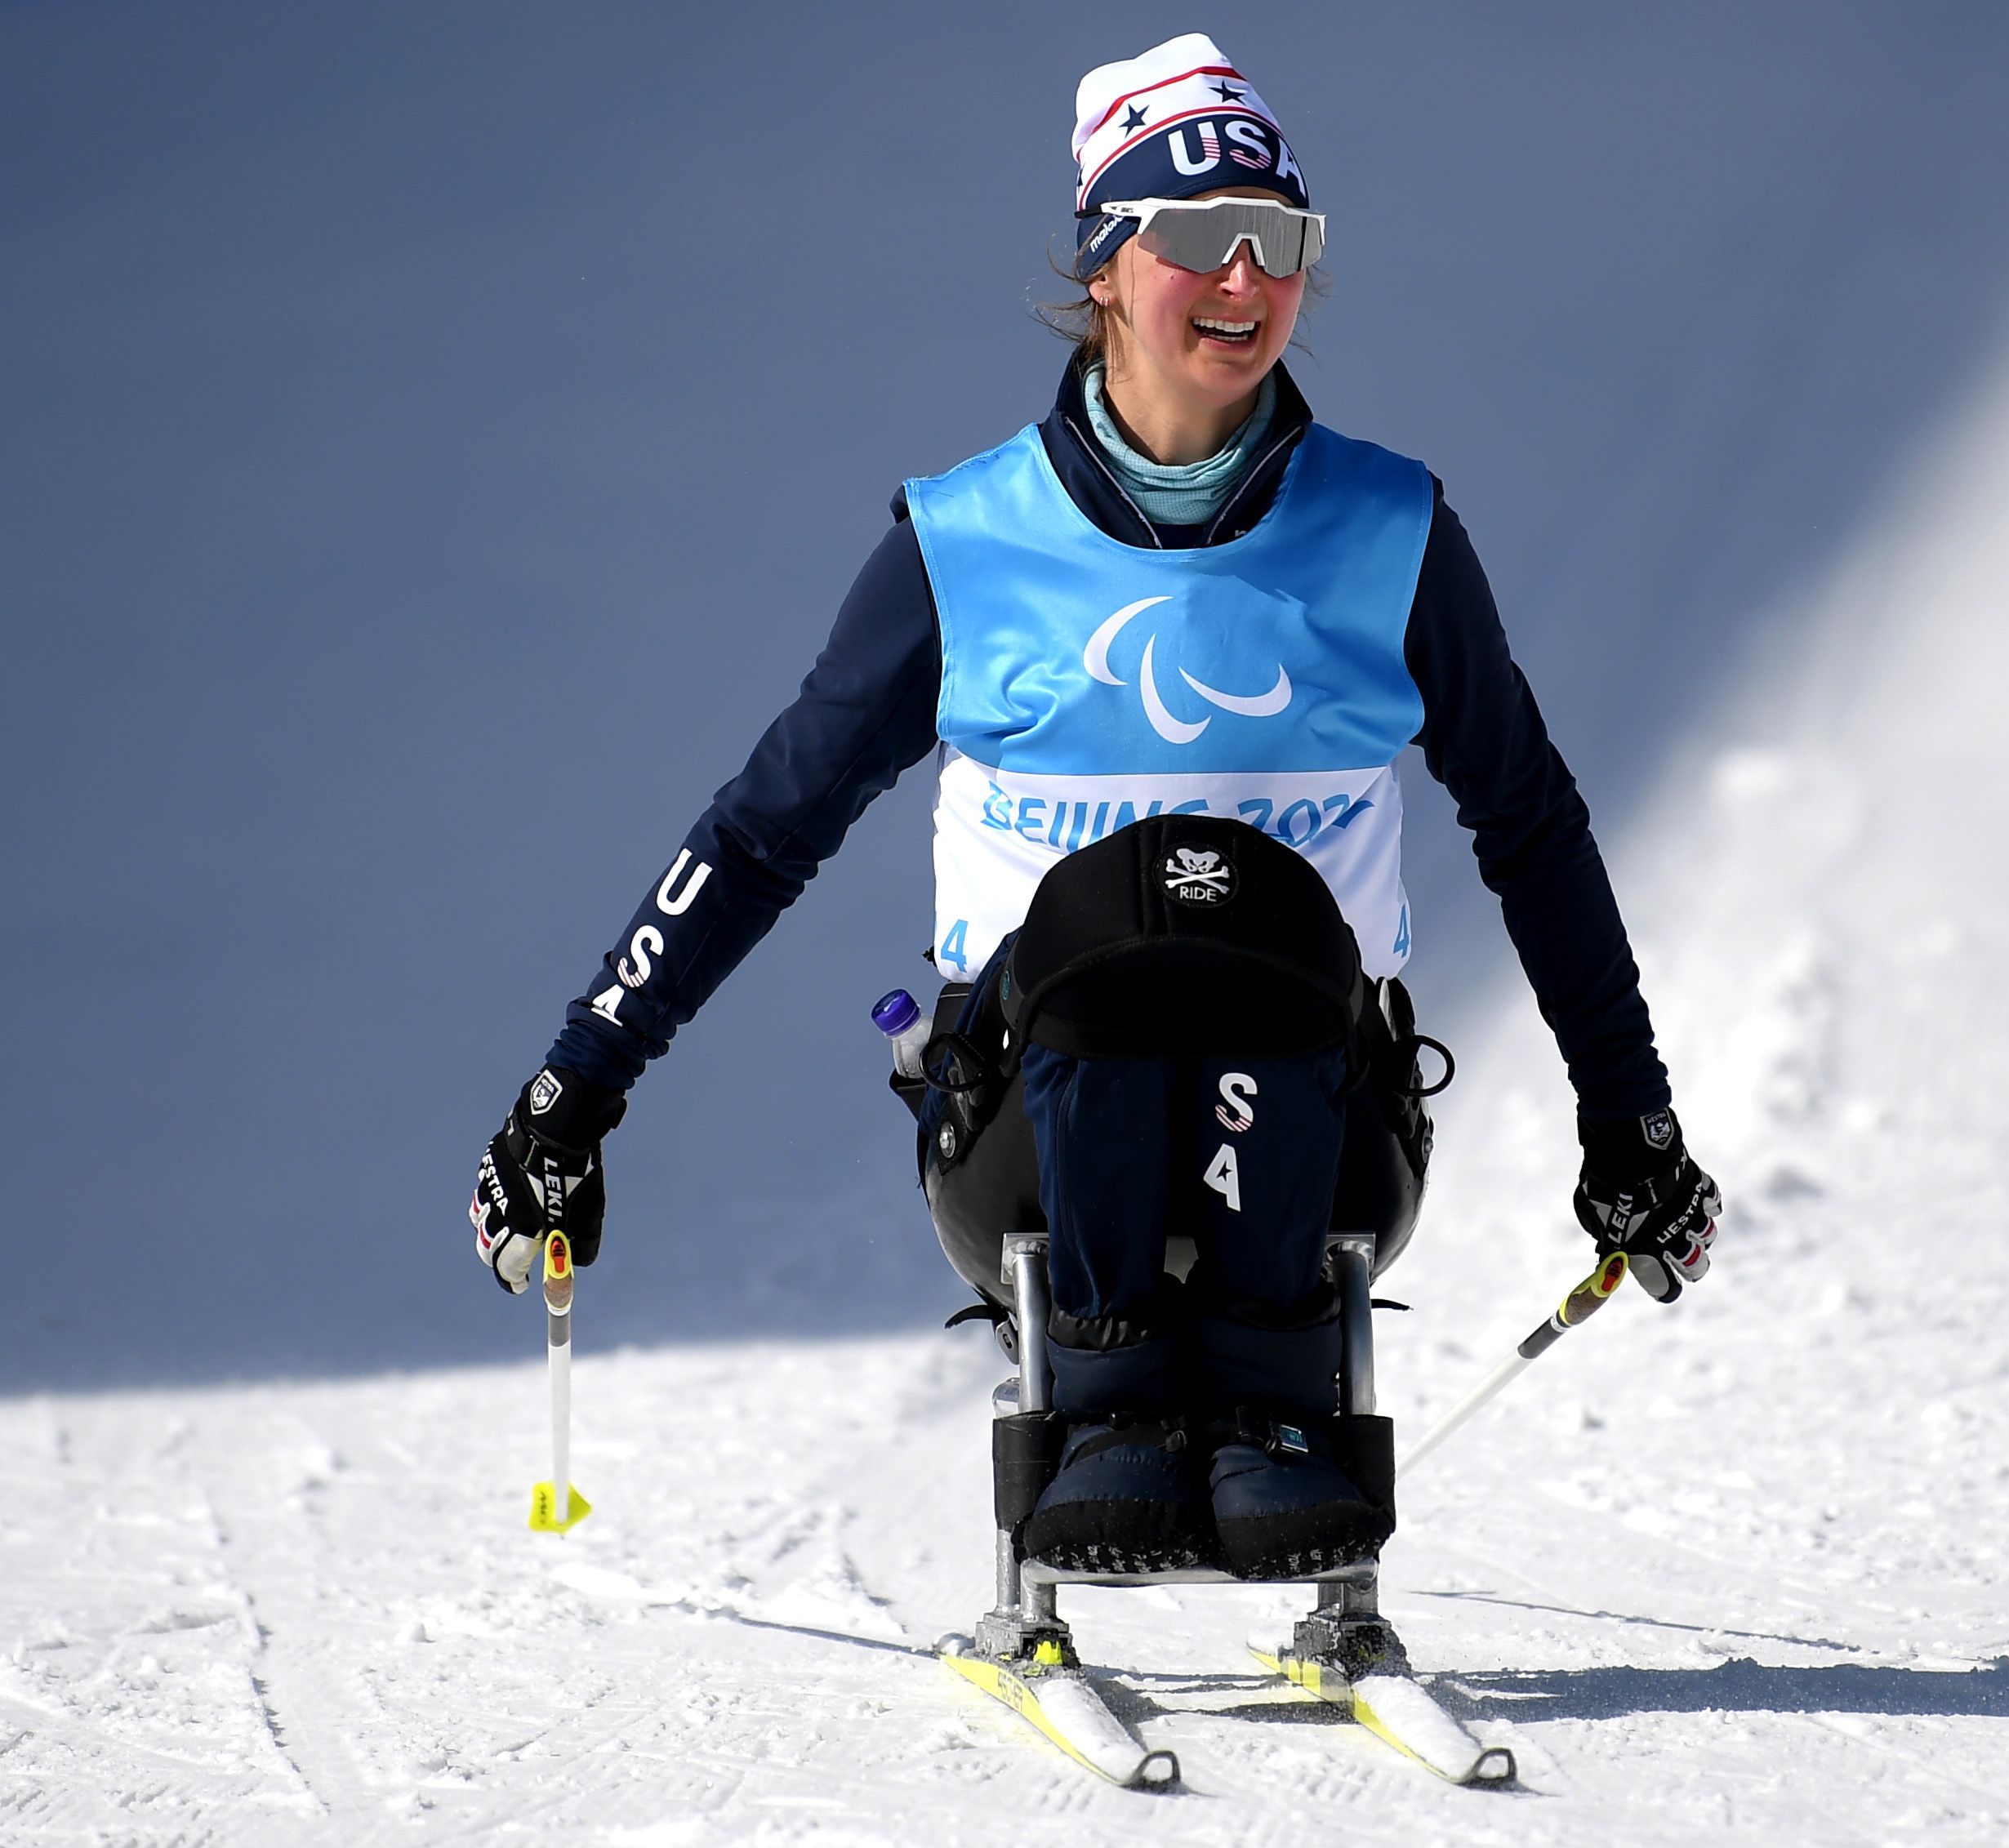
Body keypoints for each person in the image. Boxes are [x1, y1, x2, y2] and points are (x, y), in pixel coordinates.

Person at [469, 33, 1721, 1581]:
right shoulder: (967, 537)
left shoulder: (1389, 529)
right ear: (1107, 265)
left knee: (1244, 918)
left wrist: (1632, 1120)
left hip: (1324, 1128)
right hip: (1022, 1139)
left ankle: (1268, 1408)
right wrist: (574, 1087)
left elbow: (1530, 824)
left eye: (1282, 240)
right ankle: (1113, 1401)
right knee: (1115, 927)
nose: (1245, 273)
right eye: (1196, 237)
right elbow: (764, 827)